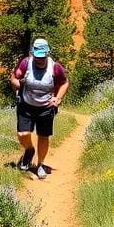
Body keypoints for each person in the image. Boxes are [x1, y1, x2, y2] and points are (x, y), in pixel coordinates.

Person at [11, 37, 69, 180]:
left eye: (42, 57)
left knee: (43, 136)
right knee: (23, 134)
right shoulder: (26, 63)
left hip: (45, 108)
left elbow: (64, 83)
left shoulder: (55, 67)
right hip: (26, 105)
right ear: (33, 54)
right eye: (37, 56)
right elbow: (14, 77)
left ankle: (41, 164)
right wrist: (16, 85)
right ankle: (29, 150)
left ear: (47, 54)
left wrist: (58, 98)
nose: (39, 59)